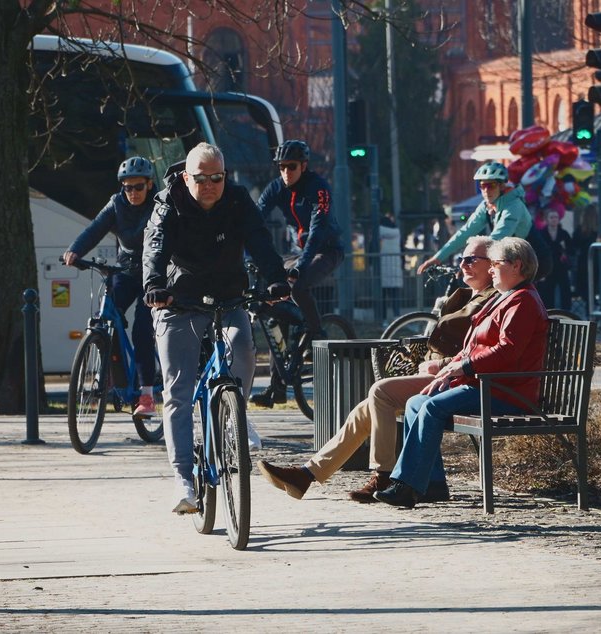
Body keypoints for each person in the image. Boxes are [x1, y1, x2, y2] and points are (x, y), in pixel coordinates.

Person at [256, 236, 499, 504]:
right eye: (461, 259)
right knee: (365, 409)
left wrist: (441, 364)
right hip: (440, 373)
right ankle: (307, 474)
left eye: (471, 259)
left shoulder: (493, 299)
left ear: (493, 265)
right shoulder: (465, 294)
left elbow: (479, 349)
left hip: (457, 378)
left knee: (380, 393)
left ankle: (382, 474)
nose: (463, 265)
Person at [142, 142, 289, 515]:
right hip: (177, 301)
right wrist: (154, 285)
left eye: (217, 178)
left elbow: (259, 241)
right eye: (201, 178)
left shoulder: (238, 201)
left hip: (228, 296)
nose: (209, 185)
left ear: (226, 176)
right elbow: (154, 246)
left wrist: (274, 278)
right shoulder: (167, 202)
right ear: (187, 177)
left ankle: (232, 416)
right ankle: (184, 480)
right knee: (178, 389)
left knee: (243, 350)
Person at [375, 237, 549, 508]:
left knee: (431, 408)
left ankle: (406, 486)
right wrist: (450, 368)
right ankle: (432, 485)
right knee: (415, 403)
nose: (491, 270)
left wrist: (464, 367)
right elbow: (473, 346)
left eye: (496, 264)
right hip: (486, 385)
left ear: (516, 266)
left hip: (507, 391)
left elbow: (507, 351)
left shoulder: (523, 301)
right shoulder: (507, 298)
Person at [63, 156, 159, 416]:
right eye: (127, 187)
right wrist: (75, 250)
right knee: (105, 316)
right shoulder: (116, 203)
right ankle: (110, 373)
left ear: (149, 185)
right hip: (126, 270)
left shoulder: (160, 205)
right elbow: (95, 228)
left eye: (138, 187)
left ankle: (147, 395)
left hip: (154, 274)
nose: (133, 193)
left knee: (142, 329)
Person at [252, 139, 345, 408]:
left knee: (297, 287)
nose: (285, 172)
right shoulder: (276, 187)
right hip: (300, 251)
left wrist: (300, 268)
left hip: (326, 250)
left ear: (304, 166)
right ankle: (276, 387)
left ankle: (316, 333)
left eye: (291, 167)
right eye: (281, 167)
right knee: (273, 301)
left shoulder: (319, 188)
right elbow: (255, 218)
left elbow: (317, 232)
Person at [416, 162, 532, 275]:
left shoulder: (514, 205)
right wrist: (438, 258)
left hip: (533, 258)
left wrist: (471, 260)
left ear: (501, 186)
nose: (486, 191)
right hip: (513, 257)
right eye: (482, 186)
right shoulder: (486, 206)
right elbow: (465, 232)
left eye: (491, 185)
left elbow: (498, 236)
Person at [536, 209, 573, 310]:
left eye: (556, 217)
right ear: (547, 219)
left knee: (565, 290)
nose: (554, 219)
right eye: (551, 217)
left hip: (561, 266)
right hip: (548, 267)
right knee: (547, 291)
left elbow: (571, 249)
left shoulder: (564, 233)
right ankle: (548, 312)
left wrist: (565, 253)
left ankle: (566, 311)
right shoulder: (541, 233)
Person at [571, 204, 599, 316]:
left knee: (585, 287)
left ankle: (590, 310)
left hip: (584, 261)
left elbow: (574, 244)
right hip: (596, 261)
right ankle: (594, 307)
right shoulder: (598, 230)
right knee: (594, 286)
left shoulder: (580, 230)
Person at [379, 212, 404, 323]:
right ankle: (396, 318)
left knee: (383, 297)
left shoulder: (378, 233)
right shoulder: (397, 233)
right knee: (395, 297)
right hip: (395, 269)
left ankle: (384, 319)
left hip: (382, 271)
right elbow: (402, 250)